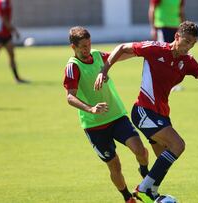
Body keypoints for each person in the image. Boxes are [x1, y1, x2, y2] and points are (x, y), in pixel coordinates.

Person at [94, 21, 198, 203]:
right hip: (143, 111)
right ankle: (144, 189)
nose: (188, 47)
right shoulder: (155, 48)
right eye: (186, 41)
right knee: (178, 145)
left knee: (163, 157)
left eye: (192, 44)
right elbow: (123, 47)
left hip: (162, 114)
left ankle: (151, 191)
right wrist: (104, 70)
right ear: (177, 37)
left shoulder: (188, 62)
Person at [63, 26, 150, 203]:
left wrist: (140, 52)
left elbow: (117, 56)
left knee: (140, 150)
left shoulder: (96, 55)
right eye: (83, 47)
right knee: (114, 165)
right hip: (94, 126)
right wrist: (91, 108)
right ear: (74, 47)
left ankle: (144, 171)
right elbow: (70, 97)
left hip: (116, 116)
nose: (87, 49)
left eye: (89, 44)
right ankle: (127, 197)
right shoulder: (73, 67)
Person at [149, 0, 185, 92]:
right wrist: (153, 28)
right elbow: (152, 9)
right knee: (164, 56)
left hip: (176, 28)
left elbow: (181, 11)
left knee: (177, 55)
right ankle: (161, 83)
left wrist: (183, 28)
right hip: (162, 27)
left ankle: (173, 83)